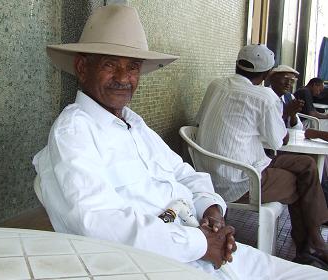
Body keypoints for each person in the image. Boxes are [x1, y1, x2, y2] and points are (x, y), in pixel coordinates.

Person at [33, 5, 327, 279]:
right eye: (110, 65)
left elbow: (184, 173)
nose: (124, 78)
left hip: (202, 247)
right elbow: (97, 223)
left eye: (133, 67)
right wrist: (200, 243)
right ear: (83, 68)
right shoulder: (74, 132)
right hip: (158, 265)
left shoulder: (133, 123)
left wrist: (211, 209)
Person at [196, 44, 328, 270]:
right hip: (239, 180)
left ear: (237, 65)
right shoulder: (264, 96)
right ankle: (310, 245)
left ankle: (311, 243)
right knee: (301, 181)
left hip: (212, 170)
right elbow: (278, 141)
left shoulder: (216, 85)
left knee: (306, 165)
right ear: (268, 74)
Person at [268, 65, 304, 130]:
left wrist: (293, 115)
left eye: (292, 81)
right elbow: (267, 126)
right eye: (285, 79)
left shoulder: (289, 97)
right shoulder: (264, 97)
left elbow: (298, 128)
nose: (288, 83)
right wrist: (286, 112)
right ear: (272, 79)